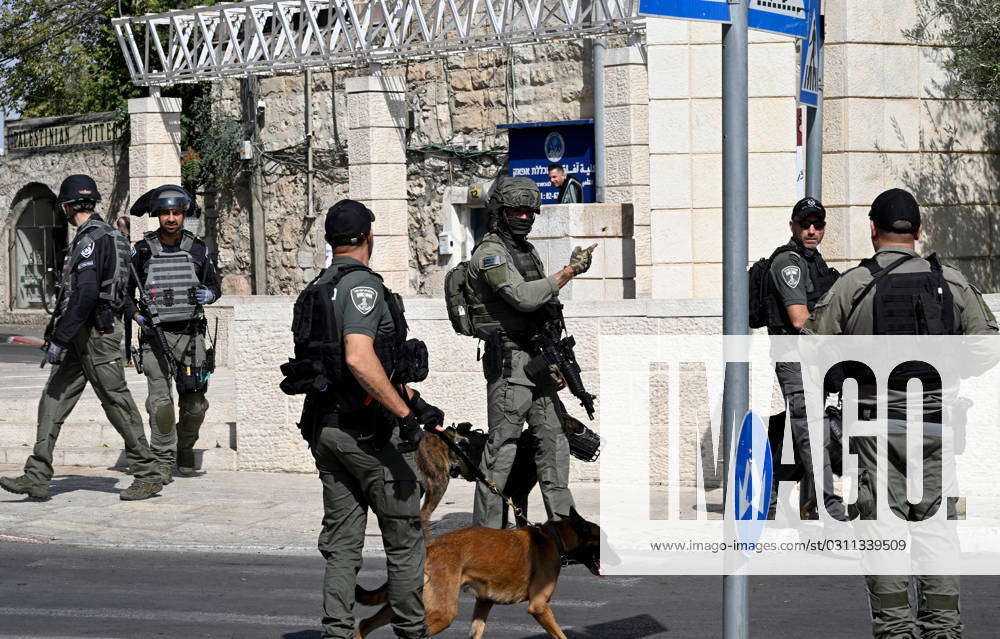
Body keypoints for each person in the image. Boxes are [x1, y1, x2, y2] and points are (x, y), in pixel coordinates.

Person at [808, 188, 998, 639]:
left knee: (882, 529)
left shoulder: (854, 284)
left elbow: (812, 346)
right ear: (919, 230)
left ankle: (894, 631)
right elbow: (988, 343)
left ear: (872, 228)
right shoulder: (949, 280)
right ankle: (943, 629)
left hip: (872, 427)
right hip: (935, 424)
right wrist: (950, 371)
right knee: (935, 531)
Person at [294, 199, 445, 639]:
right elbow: (359, 359)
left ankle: (337, 633)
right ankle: (412, 633)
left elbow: (357, 368)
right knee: (404, 541)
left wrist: (415, 403)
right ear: (368, 238)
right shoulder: (363, 287)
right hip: (369, 435)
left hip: (328, 431)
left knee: (342, 546)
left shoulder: (317, 289)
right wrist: (403, 414)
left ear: (328, 240)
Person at [0, 175, 165, 501]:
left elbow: (87, 294)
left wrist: (59, 338)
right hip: (84, 333)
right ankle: (37, 475)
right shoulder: (109, 235)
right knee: (53, 398)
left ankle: (148, 473)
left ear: (68, 205)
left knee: (116, 401)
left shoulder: (92, 239)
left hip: (95, 334)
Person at [466, 176, 595, 528]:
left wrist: (556, 365)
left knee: (554, 442)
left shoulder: (526, 251)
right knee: (502, 451)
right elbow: (522, 297)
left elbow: (543, 306)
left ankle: (564, 527)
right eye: (516, 211)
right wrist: (569, 272)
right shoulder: (490, 253)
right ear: (499, 212)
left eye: (529, 211)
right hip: (510, 366)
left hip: (537, 364)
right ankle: (486, 533)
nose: (523, 217)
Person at [126, 185, 221, 481]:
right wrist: (138, 317)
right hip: (156, 336)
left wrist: (209, 294)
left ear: (184, 215)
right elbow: (124, 295)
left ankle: (185, 448)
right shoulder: (141, 252)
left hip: (191, 337)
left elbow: (214, 286)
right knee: (161, 403)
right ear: (157, 215)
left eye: (176, 212)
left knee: (195, 405)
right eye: (165, 212)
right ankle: (163, 459)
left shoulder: (198, 249)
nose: (170, 218)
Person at [764, 196, 844, 521]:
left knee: (799, 429)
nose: (812, 230)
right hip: (795, 358)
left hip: (814, 358)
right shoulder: (789, 263)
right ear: (793, 226)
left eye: (818, 224)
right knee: (810, 429)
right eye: (805, 224)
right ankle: (825, 505)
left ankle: (768, 492)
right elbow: (799, 319)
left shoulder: (815, 261)